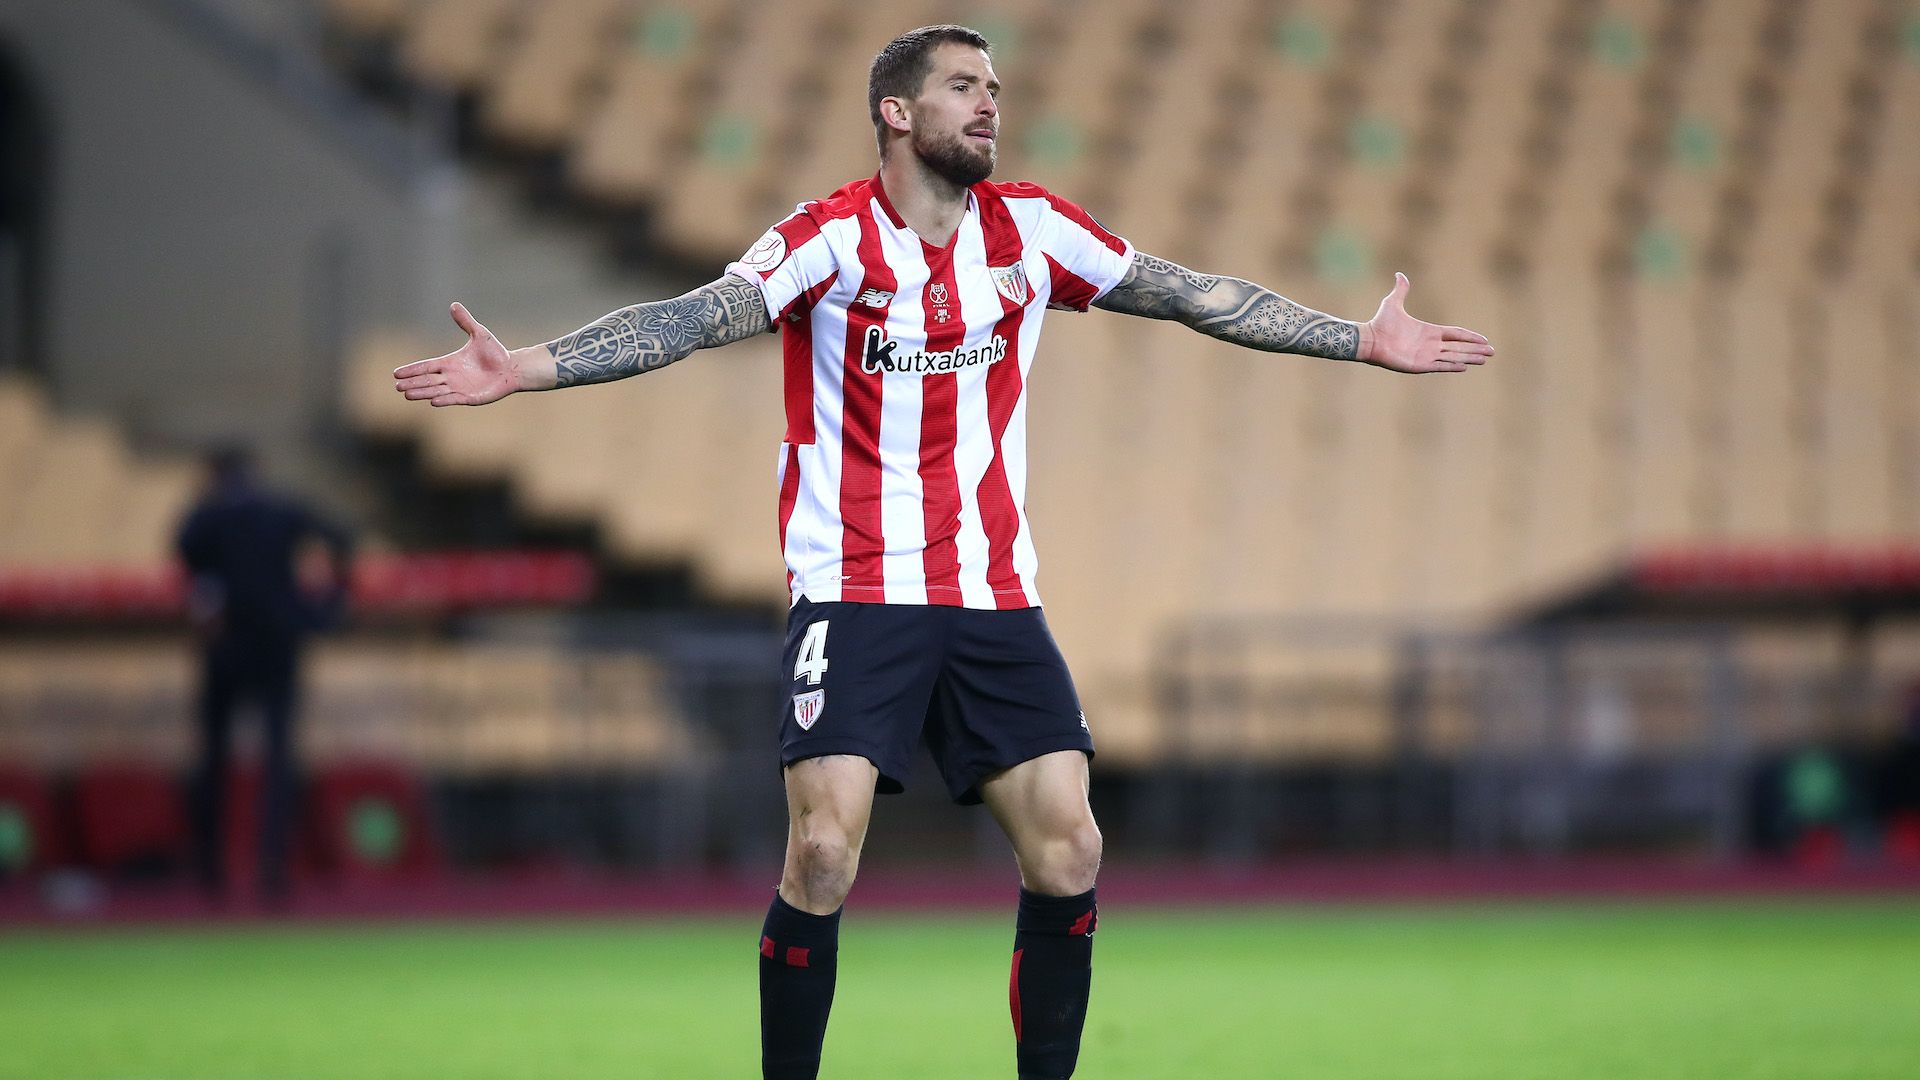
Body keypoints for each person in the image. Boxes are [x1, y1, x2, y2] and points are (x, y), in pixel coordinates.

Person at [392, 24, 1492, 1079]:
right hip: (852, 589)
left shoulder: (1032, 232)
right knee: (823, 855)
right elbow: (697, 317)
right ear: (896, 110)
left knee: (1070, 849)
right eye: (965, 87)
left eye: (996, 91)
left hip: (990, 596)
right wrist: (528, 367)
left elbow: (1193, 293)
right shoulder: (828, 237)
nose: (989, 106)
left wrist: (1357, 338)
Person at [176, 445, 353, 903]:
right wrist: (326, 609)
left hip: (227, 645)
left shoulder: (207, 515)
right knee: (277, 759)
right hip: (279, 642)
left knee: (215, 758)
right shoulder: (280, 509)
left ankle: (211, 871)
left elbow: (187, 563)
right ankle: (273, 869)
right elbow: (341, 538)